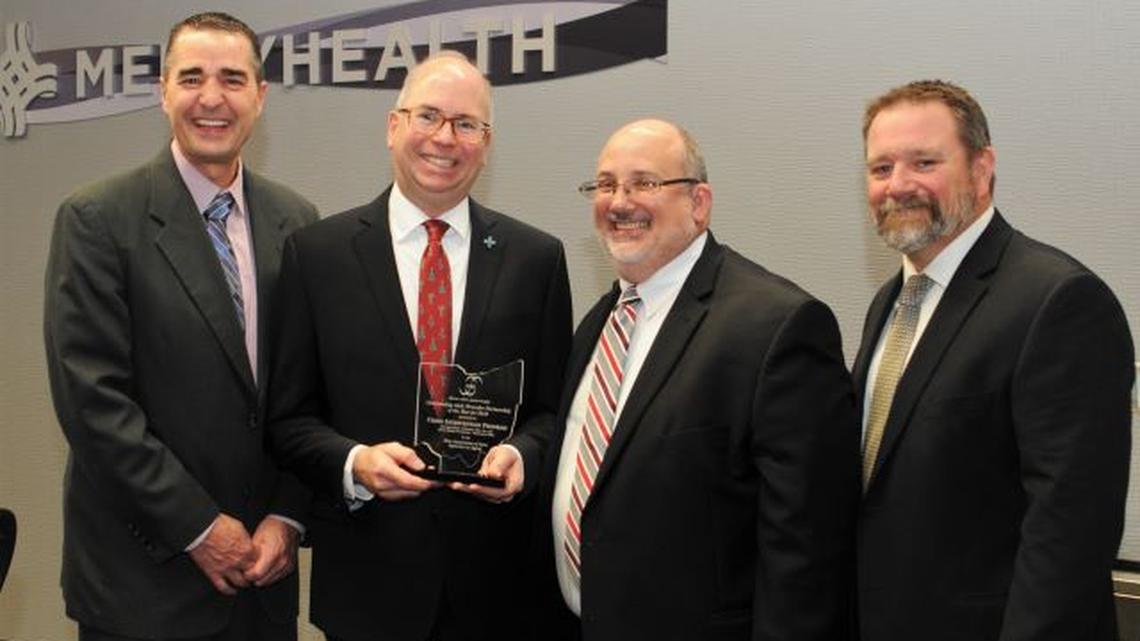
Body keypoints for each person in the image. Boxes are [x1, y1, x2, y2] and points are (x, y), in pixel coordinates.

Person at [265, 51, 572, 641]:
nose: (444, 138)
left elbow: (555, 412)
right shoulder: (317, 256)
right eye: (428, 116)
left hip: (499, 593)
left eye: (465, 124)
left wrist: (524, 458)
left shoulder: (536, 259)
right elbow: (288, 418)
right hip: (369, 587)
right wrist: (356, 464)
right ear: (393, 126)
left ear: (486, 142)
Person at [43, 11, 318, 641]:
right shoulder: (98, 219)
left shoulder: (297, 221)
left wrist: (287, 515)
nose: (212, 98)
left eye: (232, 78)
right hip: (145, 587)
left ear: (260, 95)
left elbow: (305, 392)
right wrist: (198, 527)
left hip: (263, 582)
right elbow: (93, 404)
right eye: (192, 78)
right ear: (162, 90)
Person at [532, 119, 860, 641]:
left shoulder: (777, 327)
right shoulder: (599, 323)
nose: (619, 202)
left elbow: (808, 548)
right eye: (606, 184)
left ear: (699, 203)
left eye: (644, 183)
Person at [854, 79, 1135, 641]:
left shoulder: (1060, 301)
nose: (898, 185)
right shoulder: (889, 302)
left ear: (981, 169)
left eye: (924, 162)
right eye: (881, 168)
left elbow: (1068, 538)